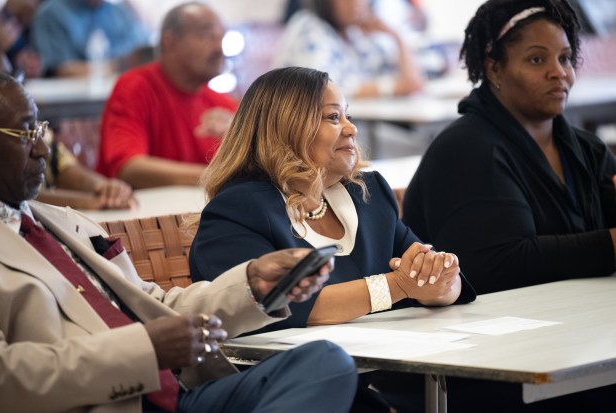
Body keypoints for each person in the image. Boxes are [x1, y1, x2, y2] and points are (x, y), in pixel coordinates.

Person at [0, 72, 358, 413]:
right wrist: (144, 350)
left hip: (180, 394)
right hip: (113, 401)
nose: (44, 150)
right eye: (25, 133)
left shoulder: (61, 222)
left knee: (327, 362)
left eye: (40, 130)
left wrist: (251, 285)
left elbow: (157, 306)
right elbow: (4, 377)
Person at [188, 66, 476, 411]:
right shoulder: (240, 209)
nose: (352, 129)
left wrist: (442, 279)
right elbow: (286, 307)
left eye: (348, 116)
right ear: (287, 126)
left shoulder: (367, 195)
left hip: (362, 380)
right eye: (333, 117)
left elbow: (425, 273)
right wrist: (399, 286)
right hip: (275, 392)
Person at [401, 1, 616, 411]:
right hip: (474, 367)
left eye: (566, 58)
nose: (559, 72)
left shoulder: (584, 149)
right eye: (537, 59)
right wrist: (610, 245)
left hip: (565, 340)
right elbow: (498, 264)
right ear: (494, 68)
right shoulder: (468, 150)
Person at [96, 2, 238, 188]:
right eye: (207, 36)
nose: (219, 48)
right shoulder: (134, 88)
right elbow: (128, 168)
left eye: (222, 37)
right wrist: (215, 176)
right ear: (169, 42)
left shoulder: (222, 105)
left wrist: (239, 138)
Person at [0, 37, 135, 210]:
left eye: (15, 79)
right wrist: (88, 203)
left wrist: (105, 188)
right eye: (3, 83)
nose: (16, 89)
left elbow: (62, 166)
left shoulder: (28, 126)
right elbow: (20, 196)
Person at [272, 0, 425, 98]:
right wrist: (393, 87)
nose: (357, 3)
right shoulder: (309, 27)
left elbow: (412, 81)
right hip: (298, 133)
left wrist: (396, 36)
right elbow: (321, 90)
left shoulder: (353, 34)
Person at [30, 0, 149, 77]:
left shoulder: (119, 12)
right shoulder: (52, 14)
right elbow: (62, 70)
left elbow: (143, 56)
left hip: (122, 94)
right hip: (74, 105)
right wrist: (117, 66)